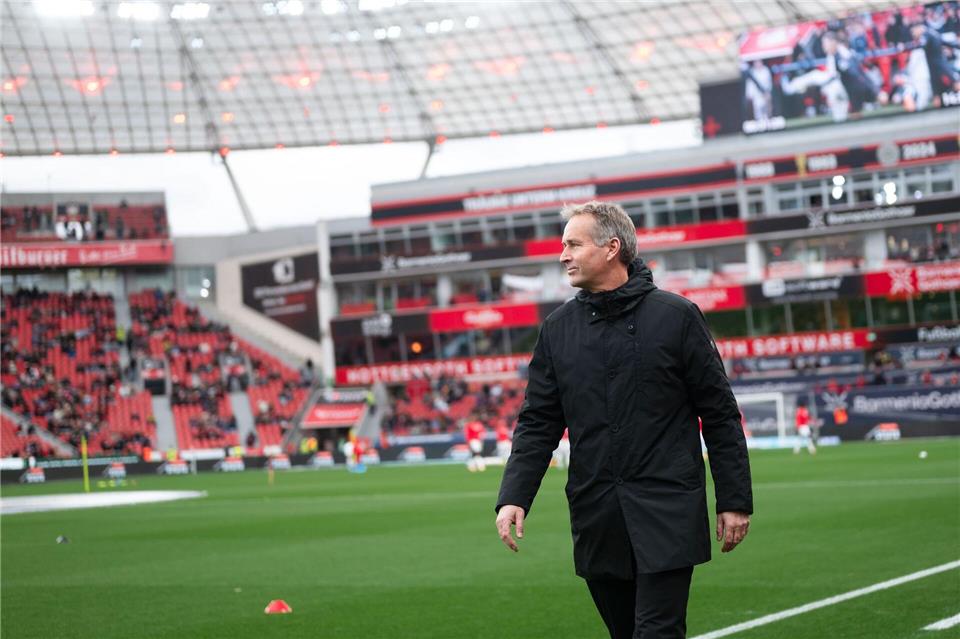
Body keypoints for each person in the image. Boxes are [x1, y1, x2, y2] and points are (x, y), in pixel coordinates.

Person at [495, 201, 752, 639]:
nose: (563, 256)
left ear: (612, 247)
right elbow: (538, 422)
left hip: (667, 507)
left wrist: (734, 499)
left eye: (573, 244)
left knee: (656, 632)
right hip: (597, 513)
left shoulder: (677, 316)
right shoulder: (557, 330)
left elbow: (721, 414)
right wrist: (513, 495)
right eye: (563, 245)